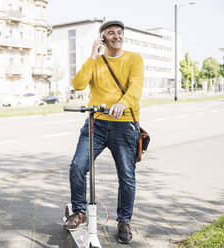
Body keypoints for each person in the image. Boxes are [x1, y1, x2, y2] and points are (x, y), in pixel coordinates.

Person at [63, 20, 144, 244]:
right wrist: (92, 54)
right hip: (96, 123)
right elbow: (78, 84)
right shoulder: (96, 61)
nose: (117, 36)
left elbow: (136, 87)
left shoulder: (134, 59)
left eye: (119, 33)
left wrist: (123, 103)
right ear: (103, 38)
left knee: (127, 176)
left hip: (124, 123)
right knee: (78, 165)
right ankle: (79, 212)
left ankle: (124, 220)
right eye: (111, 33)